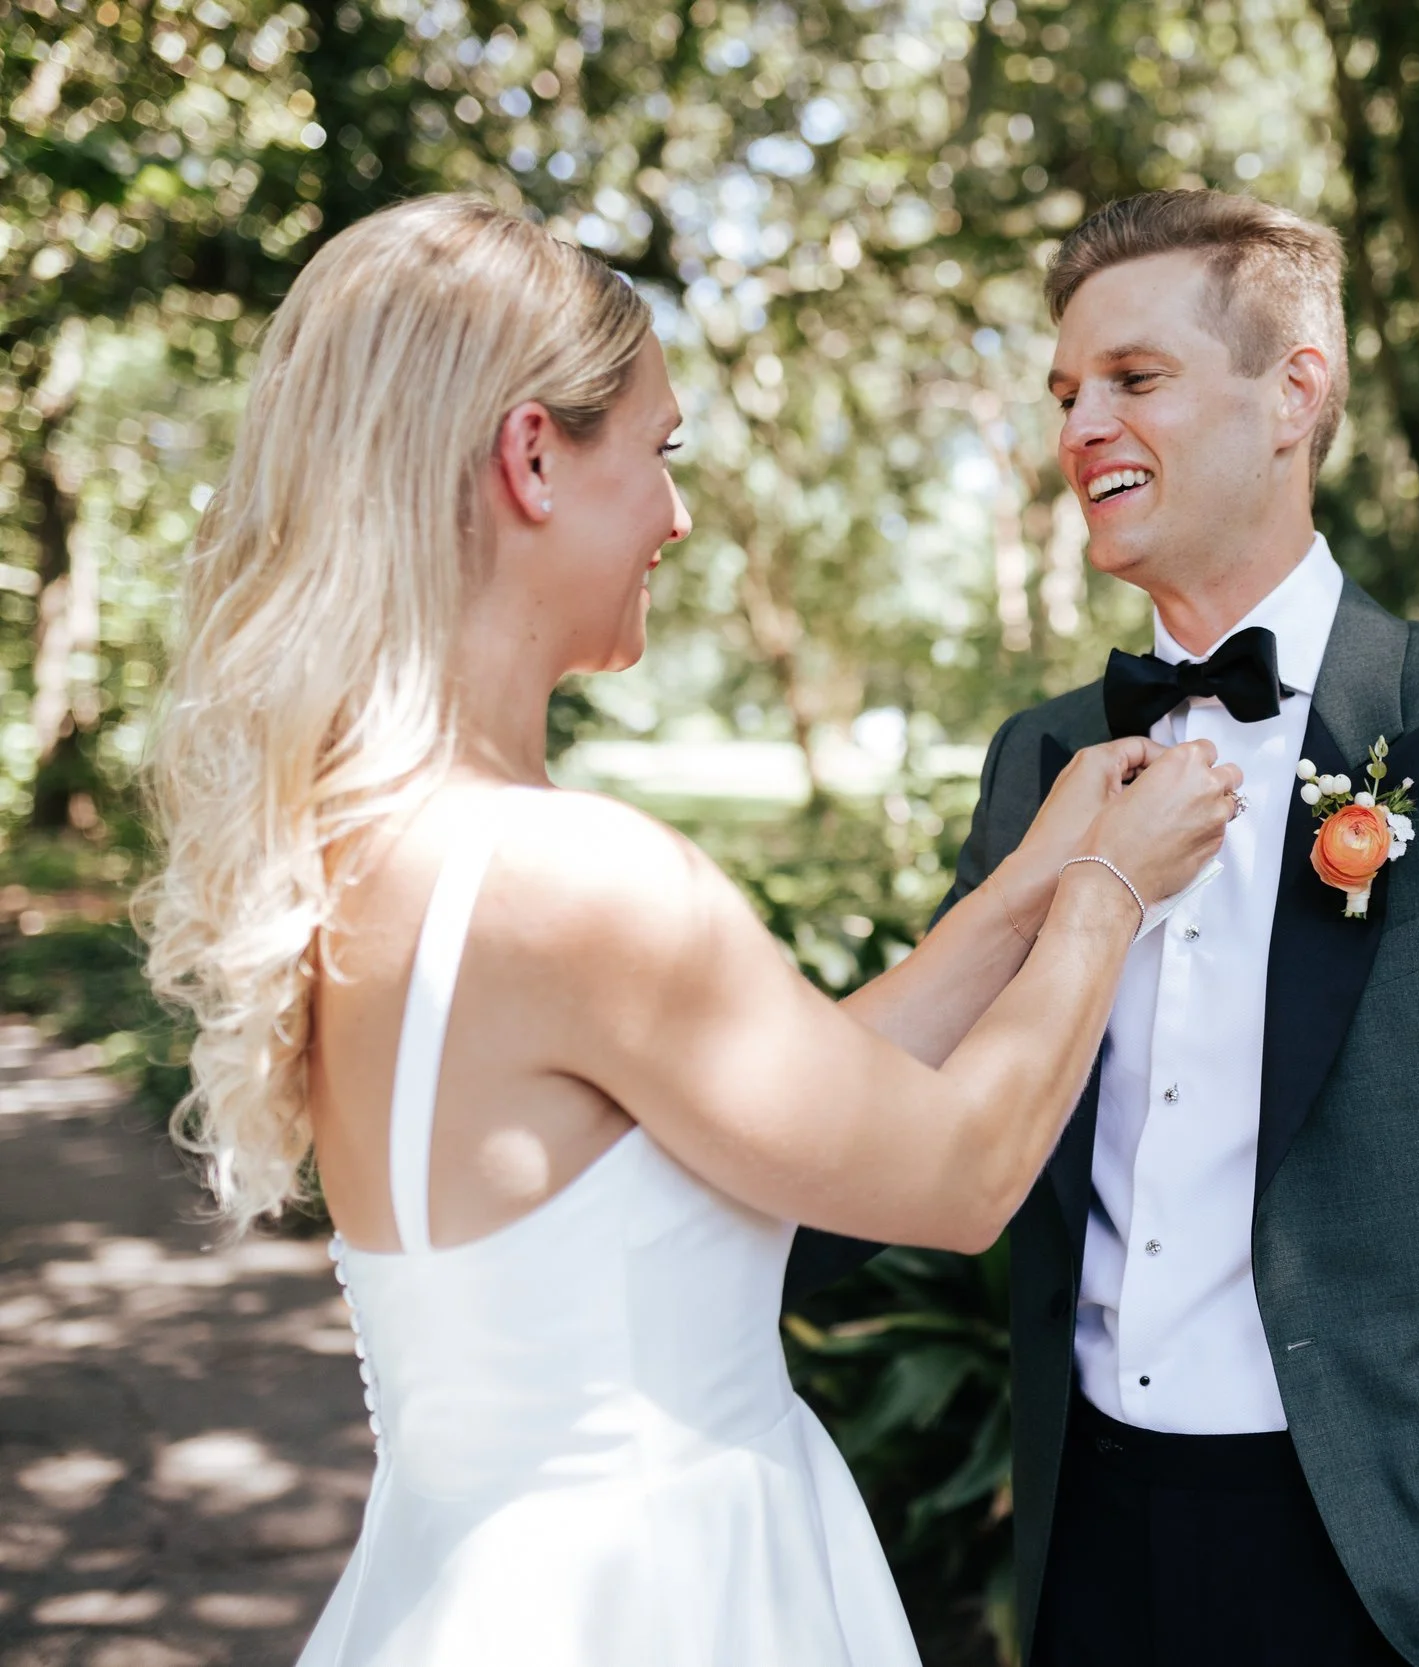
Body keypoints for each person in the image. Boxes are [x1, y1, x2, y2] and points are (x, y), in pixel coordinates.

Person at [138, 194, 1241, 1667]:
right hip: (663, 1592)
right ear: (533, 456)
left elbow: (759, 1113)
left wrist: (1026, 885)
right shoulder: (577, 877)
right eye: (658, 453)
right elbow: (959, 1171)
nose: (678, 513)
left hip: (468, 1585)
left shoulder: (380, 854)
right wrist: (1112, 895)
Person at [790, 190, 1419, 1667]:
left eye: (1134, 380)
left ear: (1297, 391)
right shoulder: (1042, 758)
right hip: (1094, 1544)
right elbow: (912, 1105)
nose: (1082, 425)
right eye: (1067, 392)